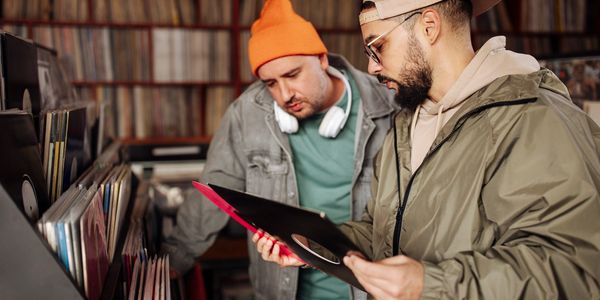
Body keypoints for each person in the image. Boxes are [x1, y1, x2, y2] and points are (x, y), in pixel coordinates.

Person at [254, 0, 600, 299]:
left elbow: (577, 270)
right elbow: (382, 232)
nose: (372, 66)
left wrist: (429, 285)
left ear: (429, 26)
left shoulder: (535, 120)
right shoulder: (406, 124)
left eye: (378, 47)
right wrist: (310, 243)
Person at [161, 0, 397, 299]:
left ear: (322, 59)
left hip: (366, 291)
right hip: (282, 290)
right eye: (270, 83)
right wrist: (172, 262)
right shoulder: (247, 113)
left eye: (293, 75)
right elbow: (215, 192)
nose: (285, 95)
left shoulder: (387, 104)